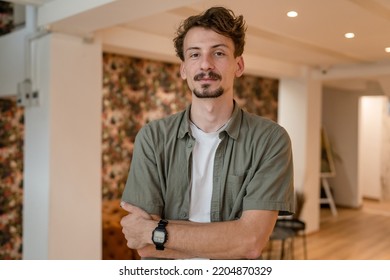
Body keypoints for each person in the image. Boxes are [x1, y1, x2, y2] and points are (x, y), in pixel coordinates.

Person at [120, 6, 294, 260]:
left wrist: (155, 232)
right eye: (194, 54)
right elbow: (142, 245)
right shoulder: (153, 138)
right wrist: (227, 237)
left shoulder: (269, 140)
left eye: (219, 53)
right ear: (183, 69)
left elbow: (250, 242)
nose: (205, 64)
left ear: (238, 65)